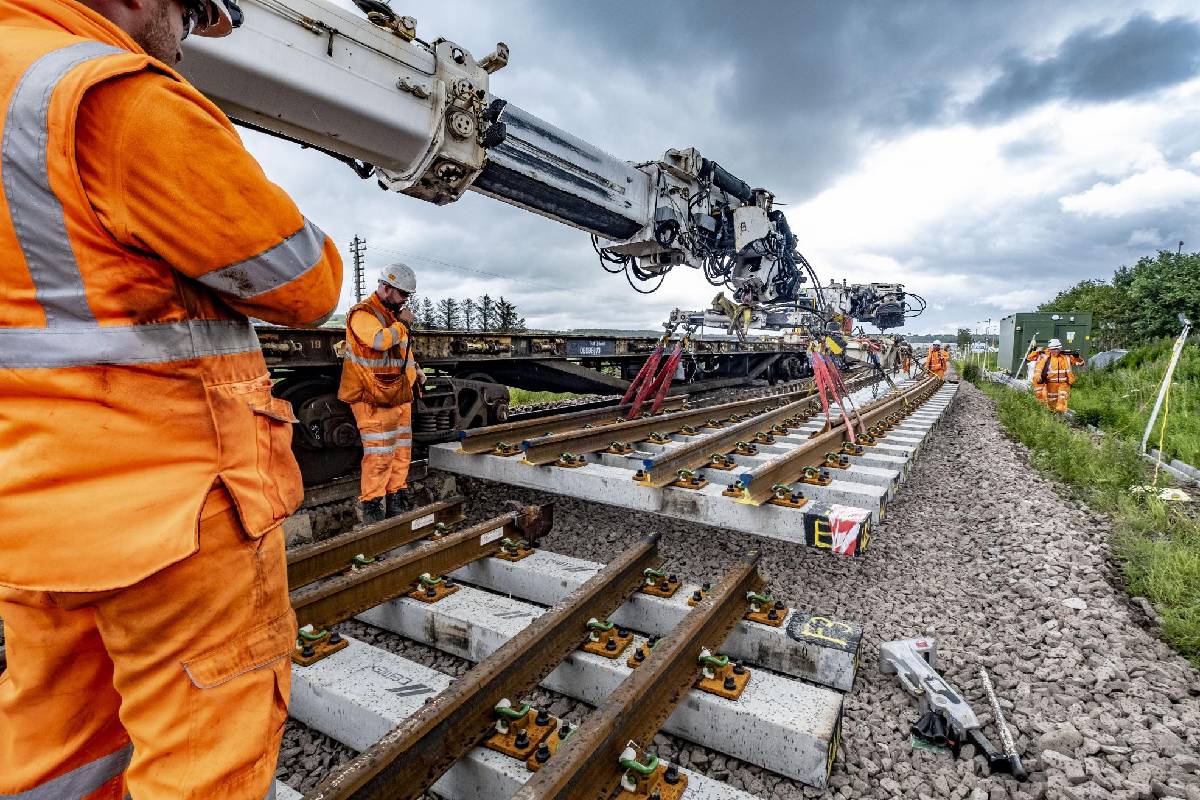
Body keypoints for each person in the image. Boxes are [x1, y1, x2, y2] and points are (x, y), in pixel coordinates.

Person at [0, 0, 342, 796]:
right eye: (185, 14)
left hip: (30, 516)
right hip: (172, 516)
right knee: (203, 760)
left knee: (59, 761)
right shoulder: (105, 93)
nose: (182, 40)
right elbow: (305, 282)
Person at [340, 263, 427, 523]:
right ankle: (372, 507)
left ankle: (395, 498)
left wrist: (417, 372)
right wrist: (402, 325)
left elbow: (401, 353)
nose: (405, 300)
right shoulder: (363, 313)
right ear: (386, 288)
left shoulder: (391, 317)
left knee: (401, 452)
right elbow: (380, 341)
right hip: (373, 396)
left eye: (407, 296)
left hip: (397, 395)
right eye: (402, 294)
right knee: (379, 454)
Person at [1030, 338, 1085, 413]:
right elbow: (1037, 367)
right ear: (1050, 349)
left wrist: (1077, 357)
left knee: (1062, 400)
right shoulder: (1046, 357)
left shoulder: (1067, 357)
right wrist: (1038, 378)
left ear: (1060, 348)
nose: (1055, 351)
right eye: (1053, 349)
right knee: (1052, 403)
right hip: (1051, 385)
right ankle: (1053, 416)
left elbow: (1081, 363)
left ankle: (1060, 416)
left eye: (1057, 348)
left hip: (1064, 384)